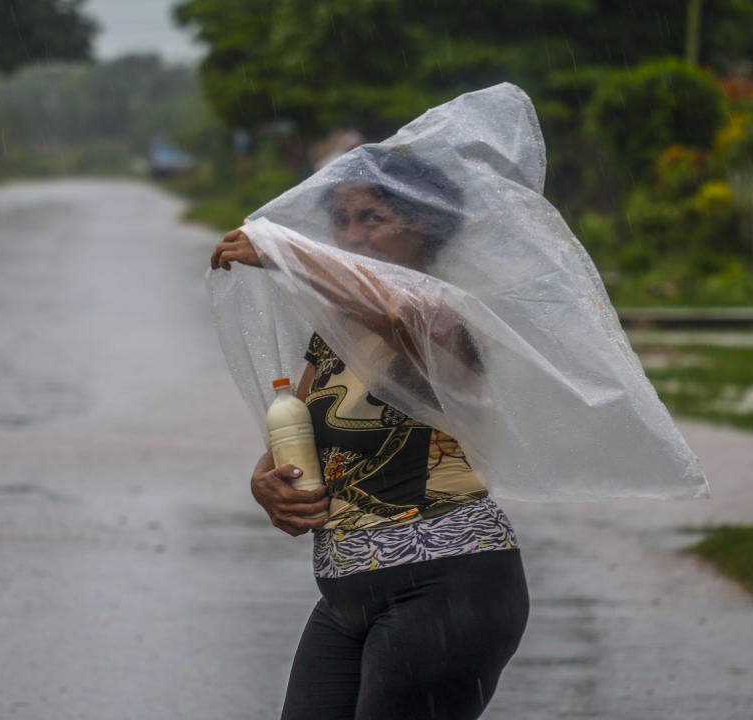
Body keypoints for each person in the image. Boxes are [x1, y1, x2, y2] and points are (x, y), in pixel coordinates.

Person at [210, 147, 529, 720]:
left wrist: (292, 258)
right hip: (344, 594)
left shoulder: (447, 312)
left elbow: (404, 319)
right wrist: (268, 487)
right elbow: (294, 441)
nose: (351, 236)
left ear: (423, 223)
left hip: (448, 586)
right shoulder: (337, 326)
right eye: (340, 220)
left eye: (372, 218)